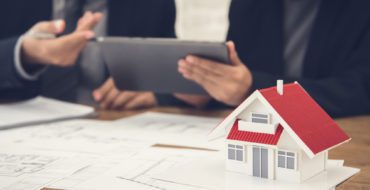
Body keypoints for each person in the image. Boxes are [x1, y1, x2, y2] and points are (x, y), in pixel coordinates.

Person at [174, 0, 370, 118]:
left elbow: (359, 91)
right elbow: (238, 76)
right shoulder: (249, 4)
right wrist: (211, 90)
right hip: (260, 131)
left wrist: (252, 89)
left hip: (342, 137)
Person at [0, 0, 176, 109]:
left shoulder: (154, 4)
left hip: (112, 129)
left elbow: (176, 72)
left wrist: (153, 90)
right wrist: (24, 52)